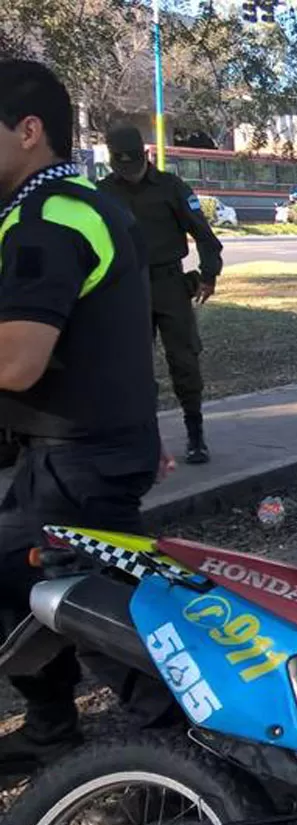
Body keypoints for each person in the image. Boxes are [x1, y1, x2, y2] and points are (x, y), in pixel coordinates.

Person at [0, 60, 172, 772]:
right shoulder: (81, 202)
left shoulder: (49, 219)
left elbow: (16, 363)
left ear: (29, 132)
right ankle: (53, 723)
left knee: (102, 616)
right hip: (85, 445)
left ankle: (179, 759)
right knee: (27, 582)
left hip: (78, 456)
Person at [98, 125, 222, 464]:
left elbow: (205, 236)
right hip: (125, 289)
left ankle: (195, 435)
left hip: (168, 284)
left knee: (183, 360)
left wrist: (209, 274)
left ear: (146, 156)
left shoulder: (171, 188)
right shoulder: (102, 192)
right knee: (132, 366)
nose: (130, 172)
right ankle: (141, 438)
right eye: (121, 166)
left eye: (134, 163)